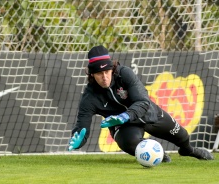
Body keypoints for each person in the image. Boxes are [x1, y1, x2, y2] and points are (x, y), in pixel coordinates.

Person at [68, 45, 214, 162]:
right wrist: (78, 139)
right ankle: (159, 155)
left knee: (183, 136)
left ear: (111, 68)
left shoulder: (125, 74)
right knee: (130, 143)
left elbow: (143, 101)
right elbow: (82, 128)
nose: (104, 77)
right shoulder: (89, 97)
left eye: (107, 71)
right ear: (92, 74)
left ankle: (189, 150)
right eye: (99, 74)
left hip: (148, 113)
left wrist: (125, 115)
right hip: (124, 127)